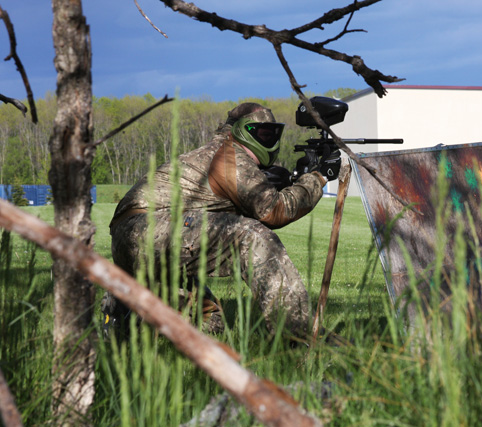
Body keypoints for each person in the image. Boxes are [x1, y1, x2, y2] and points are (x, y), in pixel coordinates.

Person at [101, 102, 341, 341]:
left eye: (272, 134)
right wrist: (317, 178)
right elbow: (274, 211)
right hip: (151, 229)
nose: (269, 141)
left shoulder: (214, 153)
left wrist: (295, 179)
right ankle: (300, 336)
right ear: (240, 132)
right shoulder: (229, 155)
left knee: (207, 321)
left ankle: (123, 312)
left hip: (135, 240)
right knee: (251, 236)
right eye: (262, 134)